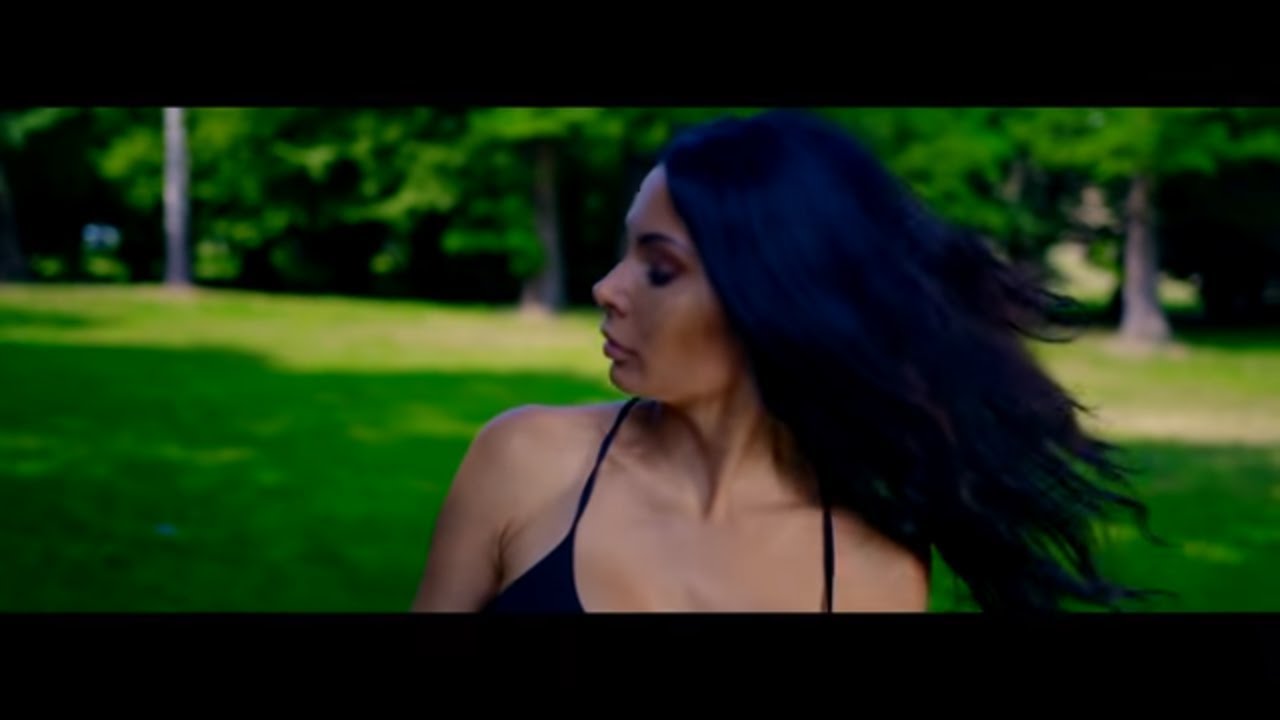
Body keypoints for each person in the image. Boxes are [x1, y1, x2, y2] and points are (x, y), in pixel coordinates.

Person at [412, 109, 1159, 613]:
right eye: (626, 252)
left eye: (659, 269)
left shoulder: (871, 571)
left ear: (767, 297)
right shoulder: (527, 461)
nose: (607, 289)